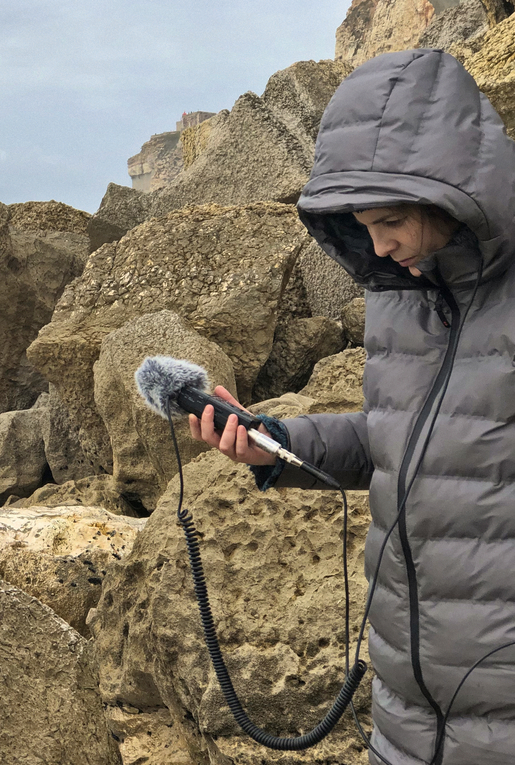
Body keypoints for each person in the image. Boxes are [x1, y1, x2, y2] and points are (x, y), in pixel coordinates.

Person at [189, 48, 515, 765]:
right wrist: (275, 443)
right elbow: (393, 442)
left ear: (451, 191)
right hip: (402, 711)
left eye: (391, 219)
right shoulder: (400, 297)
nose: (377, 243)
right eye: (362, 223)